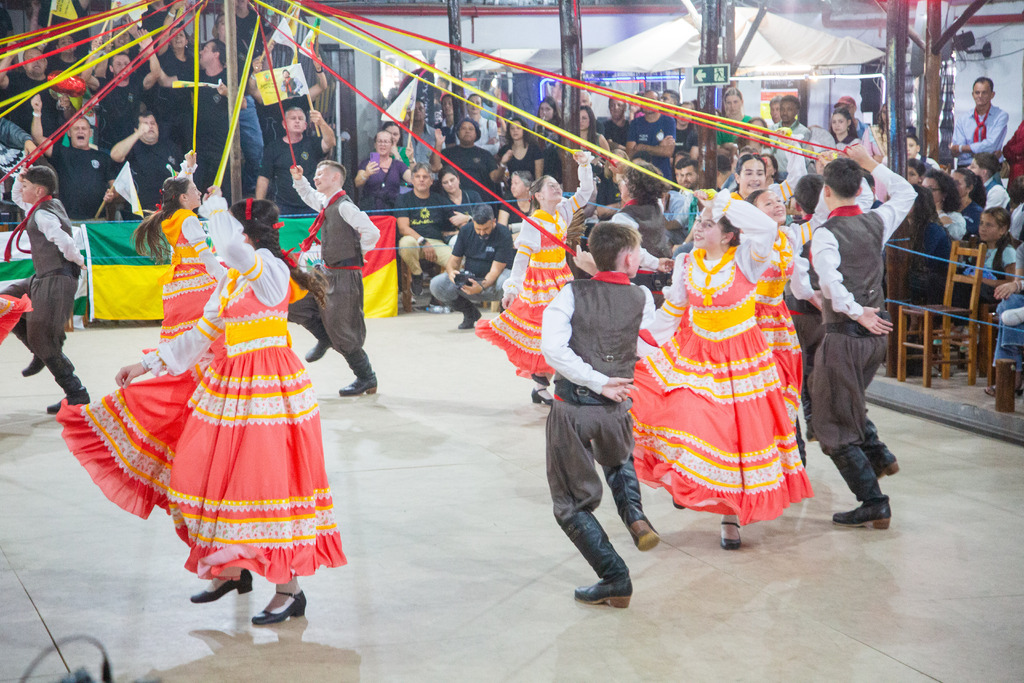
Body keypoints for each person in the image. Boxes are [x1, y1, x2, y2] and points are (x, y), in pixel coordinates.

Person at [71, 189, 347, 625]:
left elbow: (231, 248)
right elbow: (197, 337)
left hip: (271, 387)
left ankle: (290, 590)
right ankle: (232, 570)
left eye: (235, 228)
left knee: (271, 482)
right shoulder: (232, 279)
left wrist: (213, 207)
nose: (227, 236)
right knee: (217, 476)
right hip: (234, 385)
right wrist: (143, 364)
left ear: (247, 233)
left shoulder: (269, 270)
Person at [629, 193, 813, 550]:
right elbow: (671, 313)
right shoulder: (686, 263)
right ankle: (693, 483)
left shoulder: (747, 260)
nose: (698, 228)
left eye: (708, 224)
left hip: (743, 363)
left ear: (729, 234)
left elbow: (764, 226)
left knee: (735, 439)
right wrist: (639, 343)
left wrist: (723, 201)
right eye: (698, 222)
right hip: (698, 357)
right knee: (692, 420)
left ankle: (731, 518)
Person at [539, 221, 659, 608]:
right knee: (618, 458)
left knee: (570, 504)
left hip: (572, 410)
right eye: (638, 252)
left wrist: (595, 380)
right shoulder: (643, 297)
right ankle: (635, 515)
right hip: (616, 409)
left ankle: (615, 577)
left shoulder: (569, 293)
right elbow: (648, 345)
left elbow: (553, 350)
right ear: (628, 258)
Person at [808, 144, 915, 529]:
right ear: (861, 187)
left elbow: (832, 286)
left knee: (831, 425)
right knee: (847, 404)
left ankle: (873, 500)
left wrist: (856, 312)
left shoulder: (826, 234)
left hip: (846, 335)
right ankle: (880, 455)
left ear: (826, 191)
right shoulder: (877, 219)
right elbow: (906, 193)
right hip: (875, 336)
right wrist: (872, 164)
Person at [476, 152, 594, 404]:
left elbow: (584, 193)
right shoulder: (532, 222)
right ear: (538, 195)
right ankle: (540, 387)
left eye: (558, 185)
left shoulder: (563, 210)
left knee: (566, 327)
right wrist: (511, 288)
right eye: (551, 186)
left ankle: (561, 380)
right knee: (542, 331)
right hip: (540, 282)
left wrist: (584, 165)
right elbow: (520, 261)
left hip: (562, 276)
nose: (558, 188)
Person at [290, 160, 381, 397]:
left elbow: (373, 232)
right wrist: (300, 180)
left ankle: (366, 377)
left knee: (343, 330)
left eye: (320, 174)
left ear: (335, 179)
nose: (316, 177)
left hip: (344, 276)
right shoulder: (327, 202)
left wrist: (355, 252)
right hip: (326, 272)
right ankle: (324, 337)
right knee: (296, 305)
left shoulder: (344, 207)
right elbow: (310, 196)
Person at [2, 166, 89, 414]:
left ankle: (77, 393)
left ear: (39, 190)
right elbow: (20, 197)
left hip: (55, 279)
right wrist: (21, 180)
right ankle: (39, 351)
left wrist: (79, 261)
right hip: (42, 277)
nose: (21, 190)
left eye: (27, 185)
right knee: (6, 300)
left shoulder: (43, 215)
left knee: (43, 338)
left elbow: (65, 241)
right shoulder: (45, 205)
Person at [132, 157, 226, 343]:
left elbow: (179, 186)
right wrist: (223, 275)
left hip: (179, 281)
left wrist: (188, 168)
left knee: (184, 335)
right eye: (194, 190)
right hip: (196, 280)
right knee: (211, 329)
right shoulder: (188, 219)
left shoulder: (172, 217)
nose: (199, 192)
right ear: (183, 198)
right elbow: (205, 254)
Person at [429, 204, 515, 329]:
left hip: (494, 280)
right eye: (478, 229)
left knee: (506, 282)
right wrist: (452, 273)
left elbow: (496, 270)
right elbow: (453, 261)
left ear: (494, 221)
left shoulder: (503, 233)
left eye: (486, 229)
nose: (481, 233)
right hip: (471, 277)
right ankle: (470, 313)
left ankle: (504, 318)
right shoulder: (465, 230)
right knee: (437, 285)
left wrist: (481, 286)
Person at [29, 101, 118, 221]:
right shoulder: (61, 152)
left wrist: (112, 195)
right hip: (69, 219)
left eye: (84, 129)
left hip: (98, 219)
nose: (80, 131)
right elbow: (38, 137)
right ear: (69, 133)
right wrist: (37, 112)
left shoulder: (103, 157)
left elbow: (115, 187)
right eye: (76, 129)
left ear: (90, 133)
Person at [256, 107, 336, 216]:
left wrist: (321, 122)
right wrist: (259, 206)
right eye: (293, 118)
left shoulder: (312, 143)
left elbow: (330, 142)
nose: (297, 121)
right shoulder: (273, 148)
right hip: (283, 206)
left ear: (305, 125)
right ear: (284, 124)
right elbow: (263, 179)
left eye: (301, 118)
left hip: (312, 203)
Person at [395, 163, 458, 299]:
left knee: (455, 261)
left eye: (425, 177)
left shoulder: (439, 199)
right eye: (417, 177)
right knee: (406, 243)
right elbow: (403, 228)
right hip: (414, 242)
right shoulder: (403, 200)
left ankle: (441, 295)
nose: (421, 180)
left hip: (436, 242)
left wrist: (467, 219)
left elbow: (457, 218)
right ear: (412, 180)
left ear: (431, 181)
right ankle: (417, 275)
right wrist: (423, 241)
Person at [110, 112, 184, 212]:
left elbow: (184, 175)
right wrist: (138, 134)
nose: (150, 126)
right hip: (138, 212)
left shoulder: (171, 148)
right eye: (145, 124)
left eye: (153, 123)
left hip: (167, 210)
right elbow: (115, 155)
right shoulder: (131, 147)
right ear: (136, 129)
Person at [0, 47, 64, 138]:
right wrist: (9, 57)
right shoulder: (15, 79)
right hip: (21, 142)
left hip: (50, 143)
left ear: (46, 63)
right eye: (31, 59)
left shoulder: (55, 83)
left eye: (40, 59)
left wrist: (67, 106)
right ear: (24, 65)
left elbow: (68, 115)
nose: (36, 61)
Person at [905, 186, 953, 306]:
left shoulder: (933, 229)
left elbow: (923, 259)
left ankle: (910, 320)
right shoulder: (905, 226)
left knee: (903, 281)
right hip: (921, 275)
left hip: (937, 279)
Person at [433, 118, 504, 198]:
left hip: (481, 202)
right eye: (463, 128)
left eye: (471, 129)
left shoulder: (485, 155)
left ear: (476, 134)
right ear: (458, 133)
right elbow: (435, 168)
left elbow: (495, 178)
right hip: (453, 202)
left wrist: (503, 165)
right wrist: (438, 144)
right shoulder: (447, 153)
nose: (467, 131)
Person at [989, 243, 1024, 396]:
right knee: (1009, 303)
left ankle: (1012, 378)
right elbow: (1019, 286)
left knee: (1006, 314)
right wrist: (1012, 287)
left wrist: (1017, 285)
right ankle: (1012, 375)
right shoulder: (1022, 249)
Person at [950, 77, 1008, 167]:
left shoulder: (1001, 116)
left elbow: (991, 145)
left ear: (992, 95)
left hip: (990, 166)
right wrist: (985, 152)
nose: (980, 96)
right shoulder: (963, 119)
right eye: (977, 93)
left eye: (984, 93)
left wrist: (963, 148)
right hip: (966, 166)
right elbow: (957, 151)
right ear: (973, 94)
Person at [355, 128, 412, 213]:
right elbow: (357, 183)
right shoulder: (367, 163)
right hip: (371, 211)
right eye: (379, 141)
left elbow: (413, 180)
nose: (382, 144)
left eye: (386, 142)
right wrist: (366, 174)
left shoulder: (398, 165)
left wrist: (411, 159)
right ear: (375, 144)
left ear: (392, 145)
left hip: (392, 211)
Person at [626, 90, 675, 180]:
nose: (648, 103)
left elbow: (667, 152)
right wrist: (658, 147)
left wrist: (643, 147)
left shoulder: (668, 121)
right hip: (640, 177)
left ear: (659, 103)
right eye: (645, 100)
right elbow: (630, 152)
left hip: (662, 176)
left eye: (652, 100)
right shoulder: (635, 123)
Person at [833, 95, 884, 162]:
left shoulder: (868, 130)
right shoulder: (830, 140)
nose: (843, 111)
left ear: (854, 108)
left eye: (846, 107)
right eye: (839, 108)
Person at [497, 116, 544, 185]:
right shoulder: (505, 149)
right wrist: (503, 176)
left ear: (524, 130)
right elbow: (496, 163)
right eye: (512, 128)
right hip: (512, 189)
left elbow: (538, 178)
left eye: (518, 128)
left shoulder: (534, 149)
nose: (515, 131)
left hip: (530, 190)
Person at [923, 169, 967, 240]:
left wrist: (940, 214)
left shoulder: (954, 217)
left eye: (930, 189)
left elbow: (956, 236)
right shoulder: (918, 212)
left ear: (944, 194)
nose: (925, 193)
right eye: (923, 189)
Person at [953, 167, 986, 236]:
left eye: (957, 183)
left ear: (969, 188)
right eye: (950, 182)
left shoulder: (978, 213)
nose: (952, 186)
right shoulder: (943, 206)